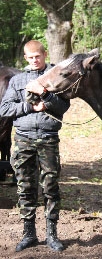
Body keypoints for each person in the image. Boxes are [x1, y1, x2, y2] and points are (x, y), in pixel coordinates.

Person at [0, 40, 70, 252]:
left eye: (37, 56)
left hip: (48, 138)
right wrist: (31, 107)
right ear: (25, 58)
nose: (34, 60)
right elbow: (5, 109)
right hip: (23, 139)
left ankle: (52, 235)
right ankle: (29, 234)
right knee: (25, 188)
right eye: (30, 57)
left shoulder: (55, 78)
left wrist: (45, 93)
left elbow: (63, 106)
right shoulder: (18, 80)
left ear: (44, 54)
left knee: (50, 187)